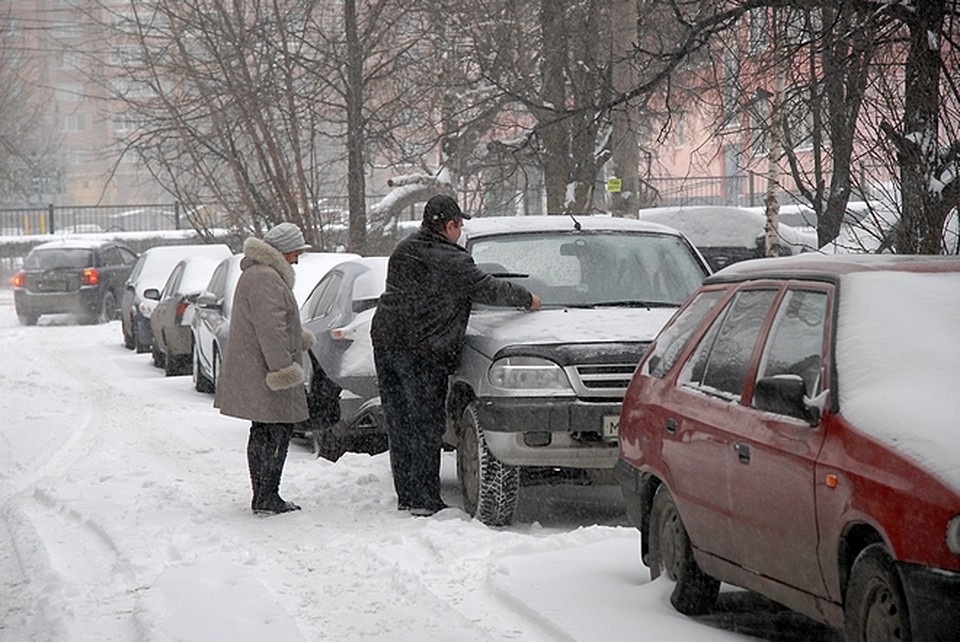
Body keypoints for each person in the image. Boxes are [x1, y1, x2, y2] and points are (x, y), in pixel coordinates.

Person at [371, 195, 542, 517]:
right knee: (425, 424)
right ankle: (423, 500)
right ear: (449, 225)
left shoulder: (404, 249)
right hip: (421, 350)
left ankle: (407, 494)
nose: (460, 231)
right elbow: (488, 288)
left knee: (400, 422)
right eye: (459, 225)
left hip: (387, 344)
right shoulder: (450, 259)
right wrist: (527, 298)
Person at [215, 222, 315, 515]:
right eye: (296, 251)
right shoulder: (265, 278)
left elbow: (275, 324)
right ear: (284, 250)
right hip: (266, 372)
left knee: (264, 430)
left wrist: (298, 340)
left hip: (259, 367)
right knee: (274, 431)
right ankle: (266, 496)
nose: (297, 258)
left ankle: (264, 494)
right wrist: (283, 369)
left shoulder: (260, 274)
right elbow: (270, 329)